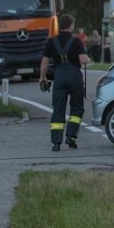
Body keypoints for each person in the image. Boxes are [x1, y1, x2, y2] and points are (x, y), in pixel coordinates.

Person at [39, 14, 90, 151]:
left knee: (58, 109)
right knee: (77, 108)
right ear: (71, 26)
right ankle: (71, 136)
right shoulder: (77, 41)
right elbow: (83, 60)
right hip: (74, 76)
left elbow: (44, 62)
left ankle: (56, 143)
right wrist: (87, 59)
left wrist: (42, 77)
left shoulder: (51, 41)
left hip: (59, 76)